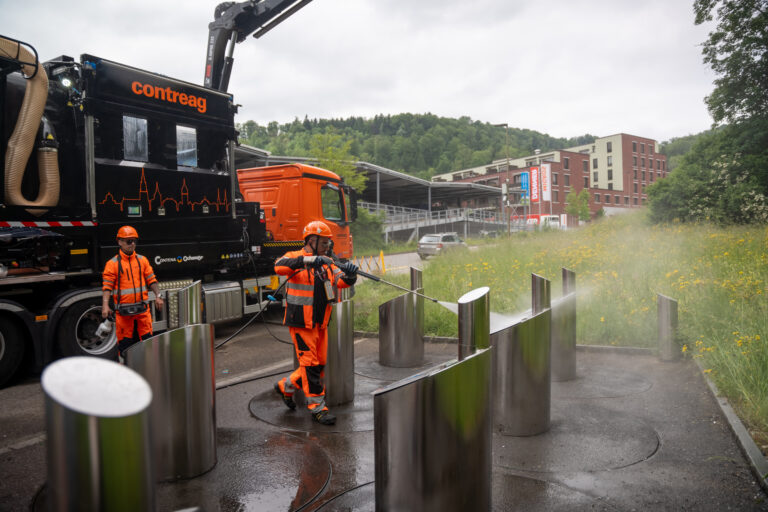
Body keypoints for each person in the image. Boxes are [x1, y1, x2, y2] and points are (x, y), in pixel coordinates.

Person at [273, 220, 358, 425]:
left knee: (318, 365)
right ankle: (318, 409)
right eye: (324, 243)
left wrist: (351, 275)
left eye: (328, 244)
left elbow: (340, 281)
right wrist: (310, 260)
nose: (327, 247)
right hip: (301, 322)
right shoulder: (295, 257)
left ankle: (286, 386)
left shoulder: (328, 262)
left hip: (321, 323)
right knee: (310, 365)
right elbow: (278, 267)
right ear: (312, 240)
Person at [101, 226, 164, 360]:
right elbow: (107, 286)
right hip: (123, 314)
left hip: (142, 311)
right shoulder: (112, 264)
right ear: (120, 242)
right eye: (129, 241)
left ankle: (148, 369)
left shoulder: (142, 260)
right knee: (125, 345)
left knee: (147, 342)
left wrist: (158, 296)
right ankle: (125, 371)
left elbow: (151, 280)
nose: (133, 244)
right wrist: (105, 305)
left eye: (134, 241)